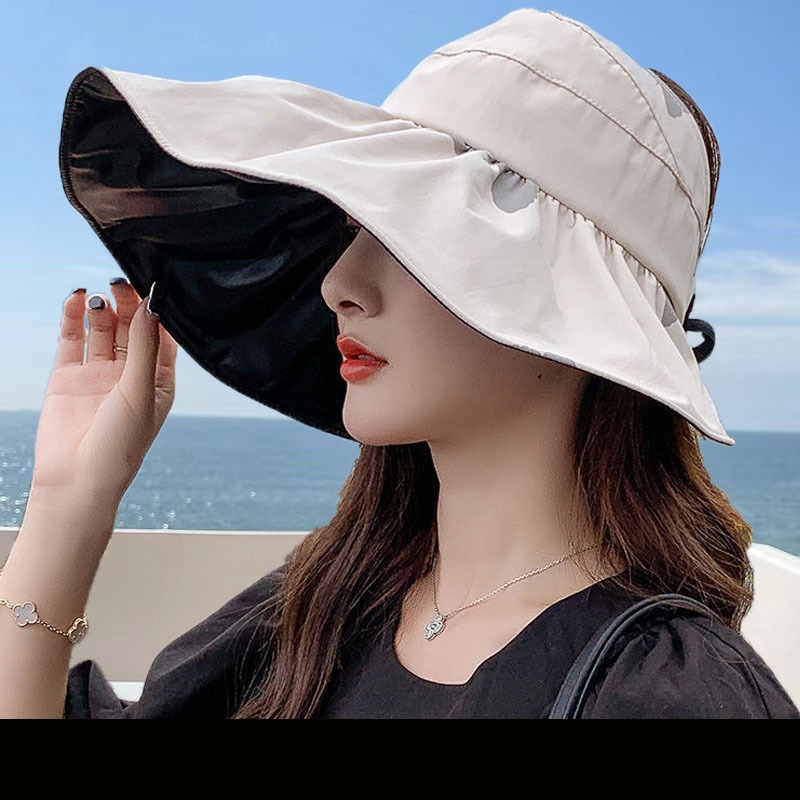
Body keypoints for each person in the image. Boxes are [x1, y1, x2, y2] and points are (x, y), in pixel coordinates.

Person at [1, 7, 798, 719]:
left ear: (576, 301)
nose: (338, 284)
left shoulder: (668, 694)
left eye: (415, 235)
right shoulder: (325, 599)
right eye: (354, 228)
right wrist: (69, 502)